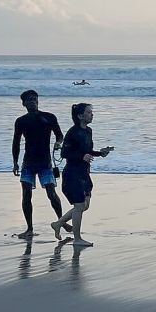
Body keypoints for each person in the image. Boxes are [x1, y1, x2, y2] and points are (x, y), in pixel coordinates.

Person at [50, 104, 113, 247]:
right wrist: (81, 156)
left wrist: (100, 153)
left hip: (84, 173)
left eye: (92, 112)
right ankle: (77, 239)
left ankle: (58, 223)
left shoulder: (88, 131)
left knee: (85, 205)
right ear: (80, 116)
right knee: (79, 206)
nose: (92, 114)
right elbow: (64, 153)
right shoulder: (73, 132)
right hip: (72, 174)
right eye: (89, 112)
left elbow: (87, 151)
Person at [12, 90, 68, 239]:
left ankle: (61, 221)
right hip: (28, 163)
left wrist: (58, 143)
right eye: (29, 100)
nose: (32, 102)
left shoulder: (48, 117)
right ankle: (29, 228)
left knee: (51, 193)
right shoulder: (21, 121)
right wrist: (15, 163)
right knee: (26, 195)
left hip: (45, 163)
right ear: (23, 103)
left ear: (38, 100)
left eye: (34, 99)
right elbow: (16, 142)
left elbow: (60, 135)